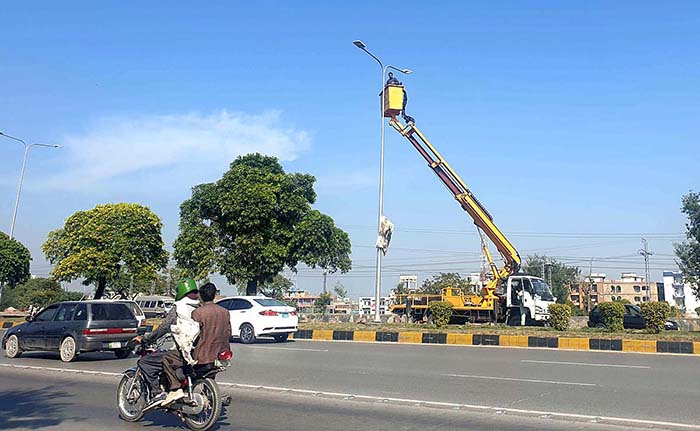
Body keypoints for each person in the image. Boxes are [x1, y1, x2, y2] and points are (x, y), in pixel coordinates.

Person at [131, 278, 199, 408]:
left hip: (181, 351)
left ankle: (158, 393)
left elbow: (165, 326)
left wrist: (146, 338)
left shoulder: (179, 307)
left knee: (145, 362)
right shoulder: (198, 306)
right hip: (195, 350)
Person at [191, 282, 231, 366]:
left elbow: (192, 336)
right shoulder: (225, 312)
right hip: (220, 354)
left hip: (202, 356)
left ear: (201, 297)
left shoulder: (198, 312)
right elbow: (228, 333)